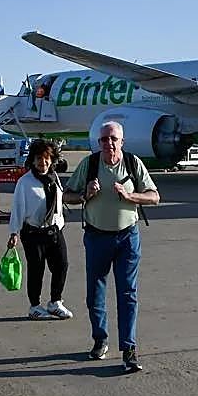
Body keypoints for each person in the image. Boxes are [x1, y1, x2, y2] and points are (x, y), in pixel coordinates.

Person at [63, 120, 160, 373]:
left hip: (127, 238)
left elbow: (154, 196)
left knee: (127, 294)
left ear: (122, 141)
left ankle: (129, 349)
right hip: (97, 237)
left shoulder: (132, 163)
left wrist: (130, 196)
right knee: (94, 294)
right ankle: (100, 338)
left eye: (113, 139)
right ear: (99, 143)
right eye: (104, 139)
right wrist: (85, 194)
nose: (109, 144)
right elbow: (67, 196)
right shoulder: (89, 164)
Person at [7, 139, 73, 320]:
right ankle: (34, 306)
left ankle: (55, 302)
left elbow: (58, 202)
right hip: (33, 233)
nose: (42, 163)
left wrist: (59, 224)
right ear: (32, 160)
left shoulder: (54, 177)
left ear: (52, 160)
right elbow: (18, 207)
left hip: (54, 231)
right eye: (38, 159)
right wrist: (14, 232)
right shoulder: (25, 182)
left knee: (61, 265)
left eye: (46, 159)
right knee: (36, 270)